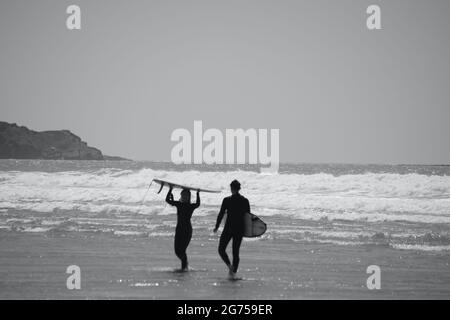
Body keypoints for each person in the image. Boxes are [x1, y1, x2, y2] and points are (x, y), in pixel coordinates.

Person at [214, 179, 250, 279]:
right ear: (239, 188)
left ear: (231, 188)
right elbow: (248, 217)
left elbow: (221, 214)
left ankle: (230, 267)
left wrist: (217, 226)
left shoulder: (227, 200)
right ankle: (233, 273)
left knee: (221, 249)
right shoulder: (245, 200)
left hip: (229, 228)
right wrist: (248, 232)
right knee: (235, 252)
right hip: (239, 229)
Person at [166, 186, 200, 271]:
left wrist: (197, 193)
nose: (184, 197)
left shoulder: (191, 206)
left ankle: (184, 268)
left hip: (187, 230)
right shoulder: (179, 204)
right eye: (183, 195)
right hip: (179, 229)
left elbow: (198, 204)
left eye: (186, 195)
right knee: (177, 251)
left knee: (182, 250)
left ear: (188, 197)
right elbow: (167, 200)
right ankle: (185, 265)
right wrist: (170, 189)